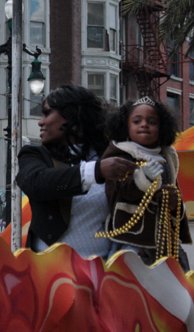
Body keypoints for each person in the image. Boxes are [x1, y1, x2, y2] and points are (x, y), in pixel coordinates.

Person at [16, 85, 135, 258]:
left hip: (103, 272)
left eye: (47, 113)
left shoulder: (112, 154)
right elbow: (36, 183)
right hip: (49, 273)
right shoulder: (35, 154)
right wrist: (96, 171)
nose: (40, 122)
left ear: (72, 115)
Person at [100, 97, 191, 266]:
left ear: (161, 128)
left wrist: (175, 203)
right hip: (133, 240)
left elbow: (174, 191)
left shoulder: (167, 157)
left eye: (152, 122)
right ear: (126, 127)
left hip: (165, 243)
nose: (144, 125)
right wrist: (143, 179)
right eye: (137, 121)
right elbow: (117, 192)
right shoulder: (120, 154)